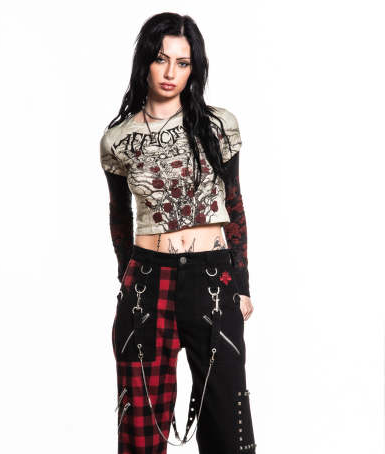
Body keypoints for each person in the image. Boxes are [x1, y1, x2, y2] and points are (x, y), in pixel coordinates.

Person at [100, 12, 257, 454]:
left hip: (211, 279)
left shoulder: (219, 125)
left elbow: (234, 204)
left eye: (182, 62)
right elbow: (119, 216)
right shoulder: (117, 139)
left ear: (194, 68)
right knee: (141, 427)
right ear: (145, 63)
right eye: (161, 59)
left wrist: (241, 283)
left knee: (227, 421)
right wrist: (126, 279)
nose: (171, 72)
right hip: (148, 282)